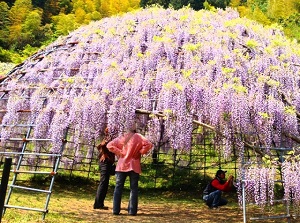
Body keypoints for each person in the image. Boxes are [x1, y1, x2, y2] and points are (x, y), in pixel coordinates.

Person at [107, 128, 153, 216]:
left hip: (122, 165)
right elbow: (149, 144)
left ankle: (115, 210)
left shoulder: (122, 137)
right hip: (134, 165)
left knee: (118, 188)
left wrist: (120, 152)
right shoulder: (139, 137)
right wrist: (141, 152)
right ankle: (132, 211)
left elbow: (109, 145)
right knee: (134, 189)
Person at [93, 127, 115, 210]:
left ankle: (100, 203)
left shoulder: (108, 139)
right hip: (105, 162)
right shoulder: (107, 139)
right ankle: (98, 204)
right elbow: (100, 146)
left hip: (107, 163)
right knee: (103, 183)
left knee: (104, 184)